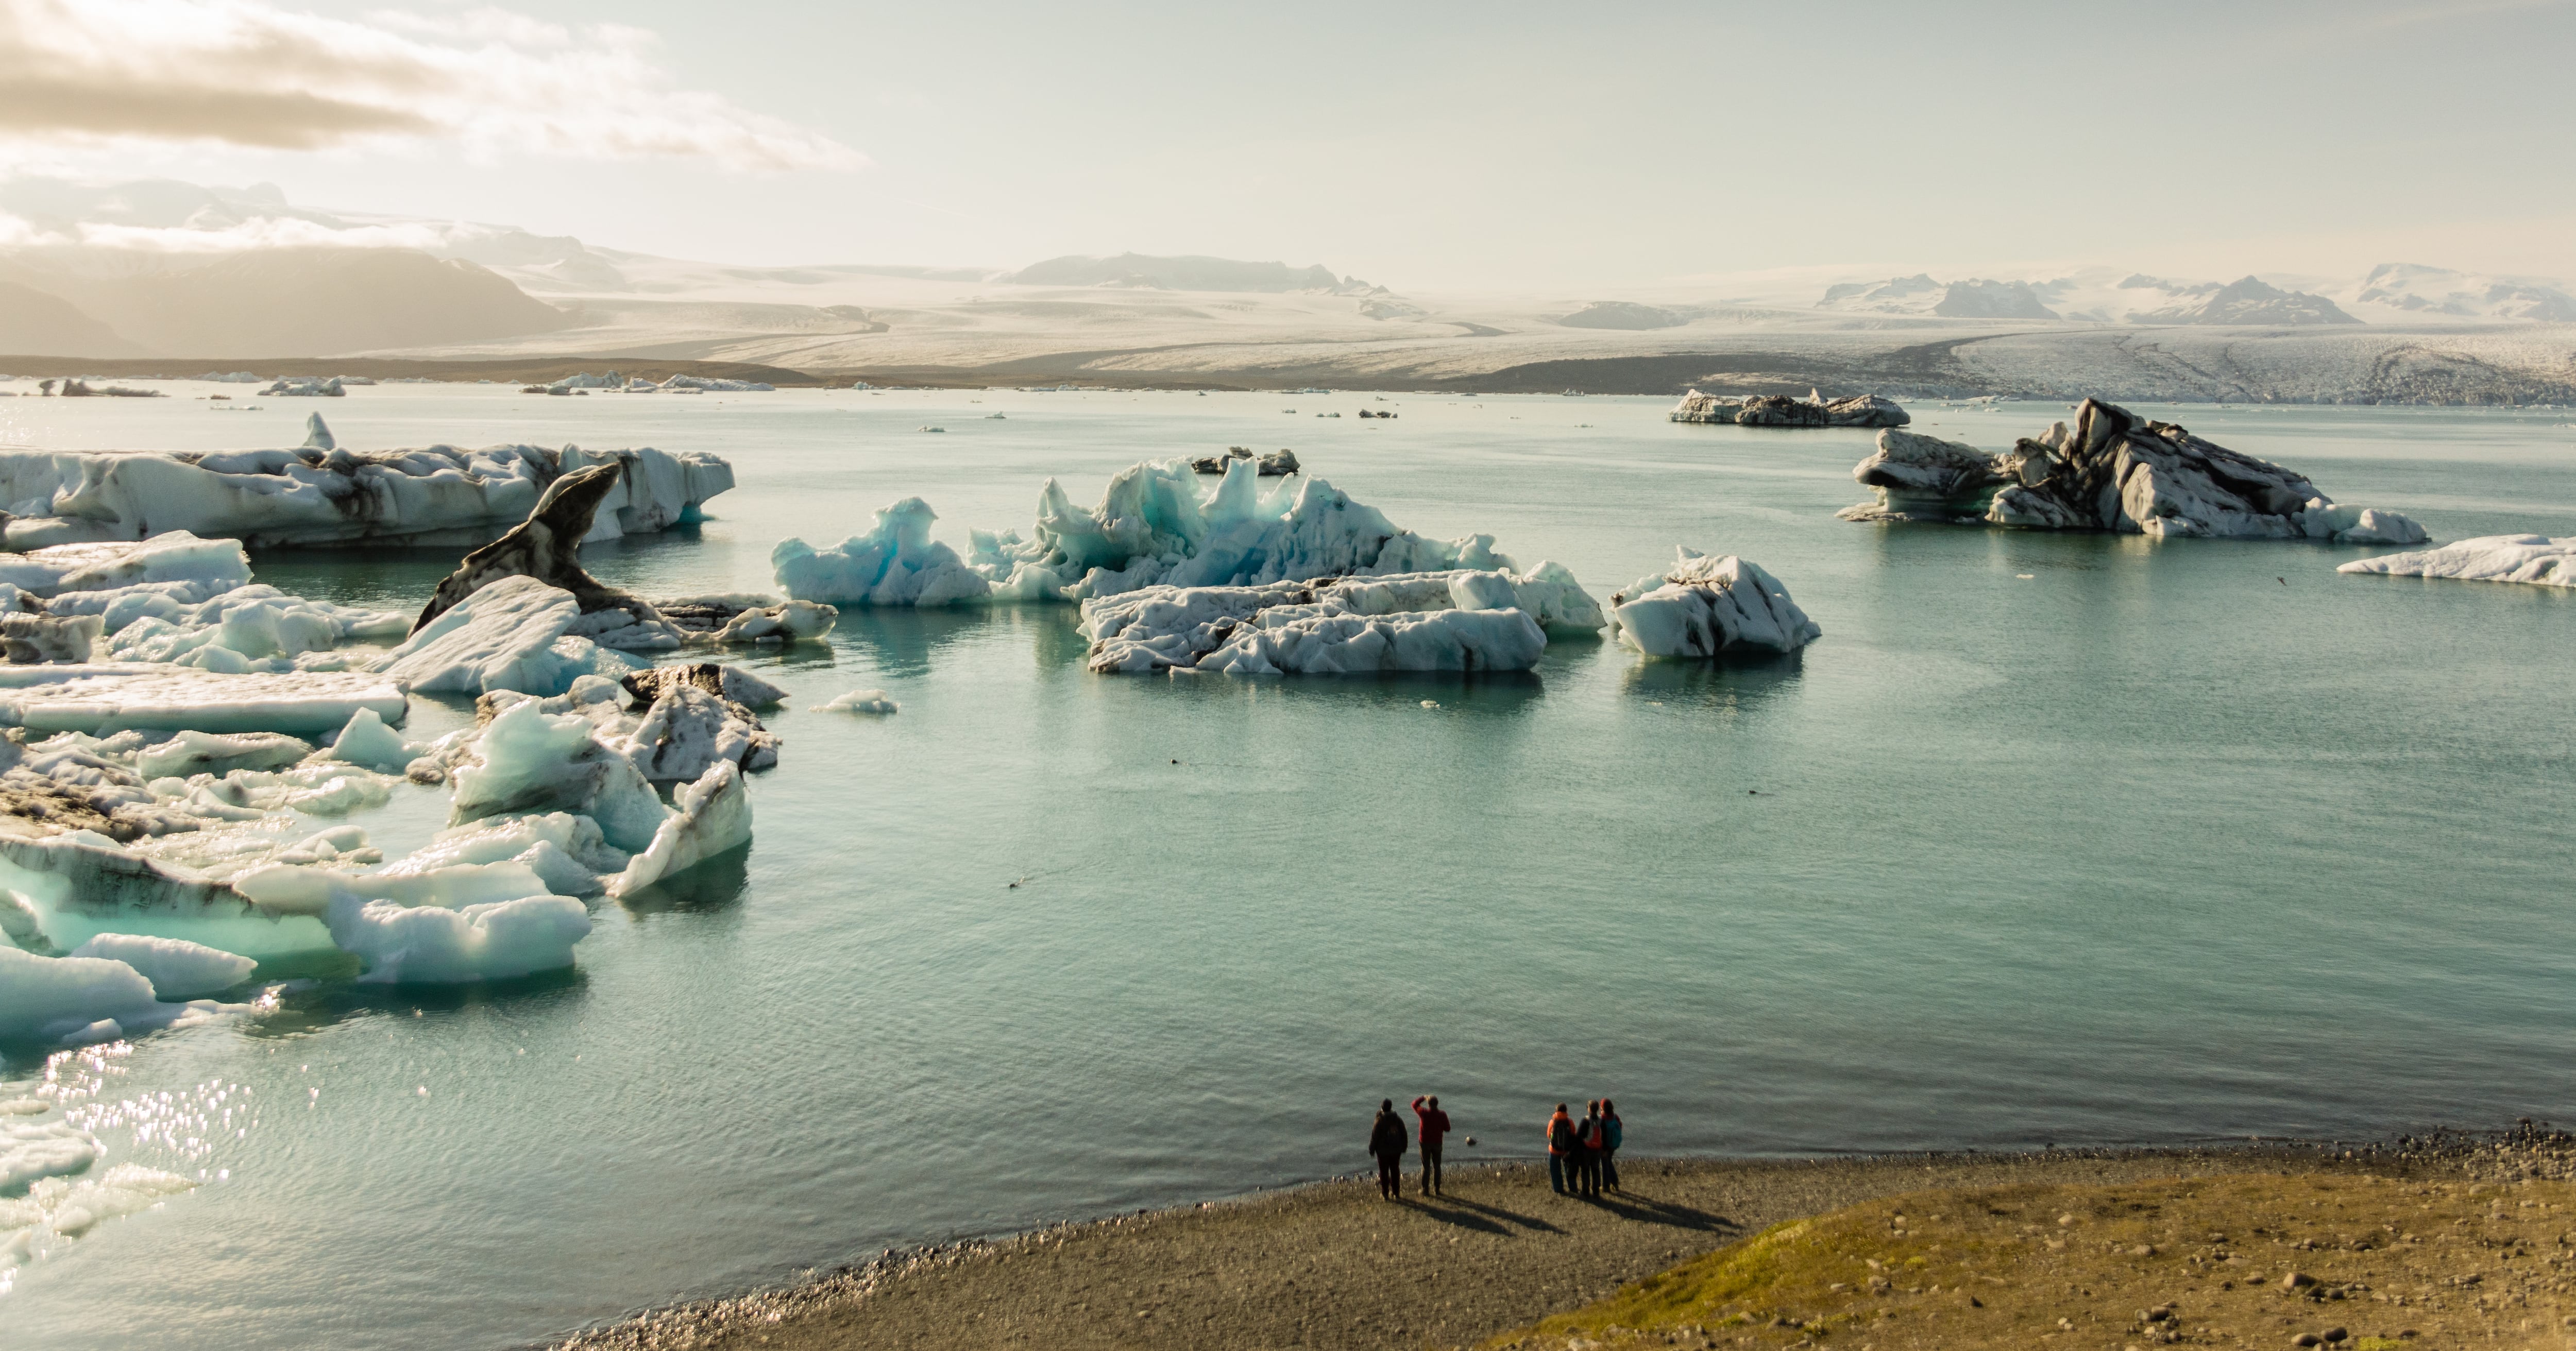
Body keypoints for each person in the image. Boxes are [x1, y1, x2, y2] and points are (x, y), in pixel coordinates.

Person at [1368, 1099, 1408, 1200]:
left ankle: (1385, 1193)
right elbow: (1404, 1134)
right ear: (1391, 1108)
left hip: (1383, 1152)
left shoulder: (1379, 1121)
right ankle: (1396, 1192)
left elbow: (1375, 1137)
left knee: (1384, 1171)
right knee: (1395, 1170)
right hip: (1396, 1151)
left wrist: (1372, 1150)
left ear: (1382, 1108)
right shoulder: (1397, 1119)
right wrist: (1404, 1147)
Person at [1411, 1095, 1450, 1197]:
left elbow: (1414, 1105)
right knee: (1437, 1166)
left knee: (1426, 1166)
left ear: (1428, 1104)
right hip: (1437, 1143)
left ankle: (1425, 1190)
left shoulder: (1424, 1113)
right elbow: (1447, 1129)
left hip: (1425, 1143)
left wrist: (1424, 1097)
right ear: (1437, 1104)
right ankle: (1437, 1189)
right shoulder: (1442, 1115)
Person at [1545, 1102, 1577, 1194]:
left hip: (1554, 1150)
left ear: (1556, 1111)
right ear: (1566, 1111)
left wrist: (1553, 1138)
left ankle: (1558, 1189)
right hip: (1566, 1150)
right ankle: (1573, 1188)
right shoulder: (1570, 1122)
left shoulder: (1552, 1122)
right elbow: (1573, 1134)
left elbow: (1549, 1135)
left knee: (1555, 1170)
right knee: (1569, 1169)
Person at [1575, 1101, 1603, 1198]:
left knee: (1585, 1170)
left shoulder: (1585, 1121)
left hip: (1586, 1150)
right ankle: (1596, 1190)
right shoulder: (1601, 1121)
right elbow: (1604, 1136)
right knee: (1596, 1169)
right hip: (1598, 1149)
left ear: (1589, 1109)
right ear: (1598, 1109)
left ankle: (1586, 1190)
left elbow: (1579, 1136)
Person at [1600, 1098, 1623, 1193]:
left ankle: (1606, 1186)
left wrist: (1603, 1149)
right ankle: (1615, 1183)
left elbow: (1603, 1136)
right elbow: (1620, 1126)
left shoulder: (1602, 1119)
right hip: (1614, 1144)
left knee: (1605, 1165)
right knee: (1609, 1161)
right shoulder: (1615, 1117)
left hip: (1606, 1146)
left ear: (1602, 1108)